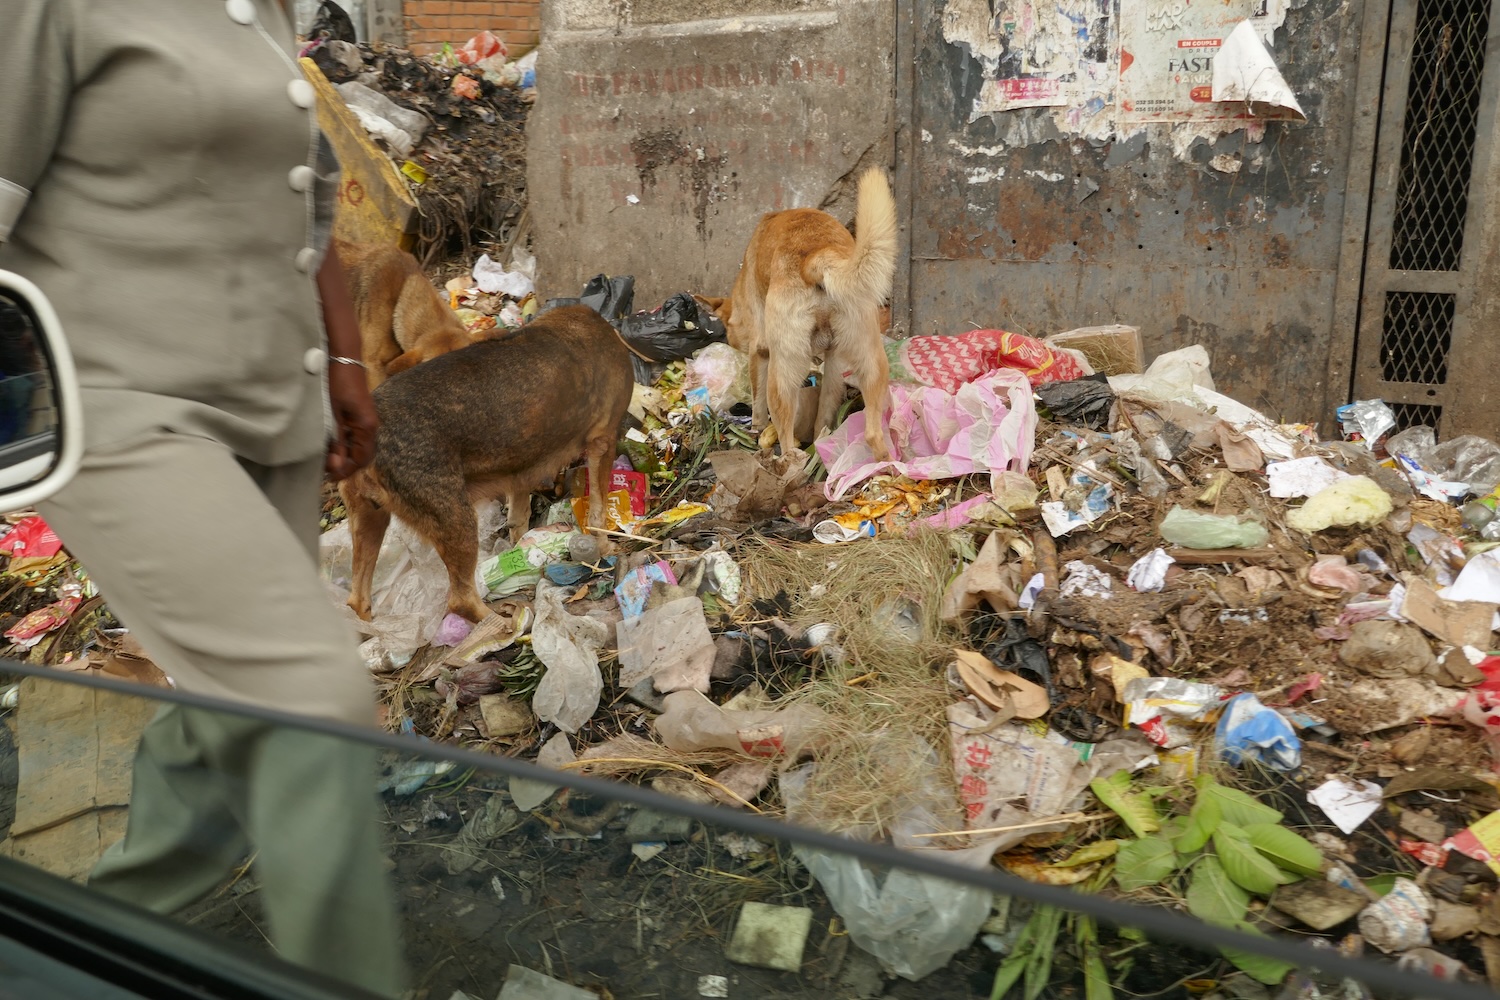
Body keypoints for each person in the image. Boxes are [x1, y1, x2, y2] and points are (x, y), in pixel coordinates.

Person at [0, 1, 406, 995]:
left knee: (227, 722)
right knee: (313, 703)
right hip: (117, 409)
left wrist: (344, 357)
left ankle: (71, 953)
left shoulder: (256, 3)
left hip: (268, 403)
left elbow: (298, 194)